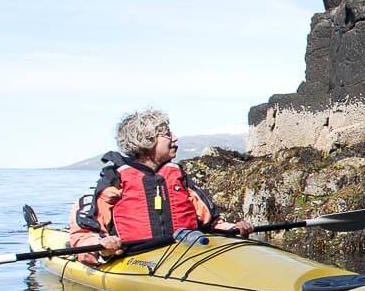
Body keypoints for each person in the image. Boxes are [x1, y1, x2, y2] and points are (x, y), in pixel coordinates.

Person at [68, 108, 251, 260]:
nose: (175, 138)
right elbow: (83, 234)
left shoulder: (178, 176)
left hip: (186, 251)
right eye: (167, 134)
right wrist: (103, 245)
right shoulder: (114, 180)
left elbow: (211, 222)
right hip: (135, 256)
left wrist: (234, 228)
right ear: (147, 140)